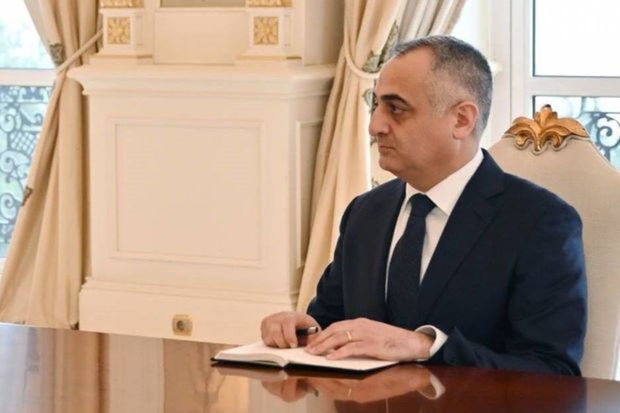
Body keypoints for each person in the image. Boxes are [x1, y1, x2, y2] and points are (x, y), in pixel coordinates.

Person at [260, 36, 587, 375]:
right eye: (376, 105)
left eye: (396, 109)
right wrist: (301, 330)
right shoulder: (364, 212)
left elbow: (552, 372)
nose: (374, 126)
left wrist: (427, 347)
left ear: (462, 120)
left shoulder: (541, 223)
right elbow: (330, 321)